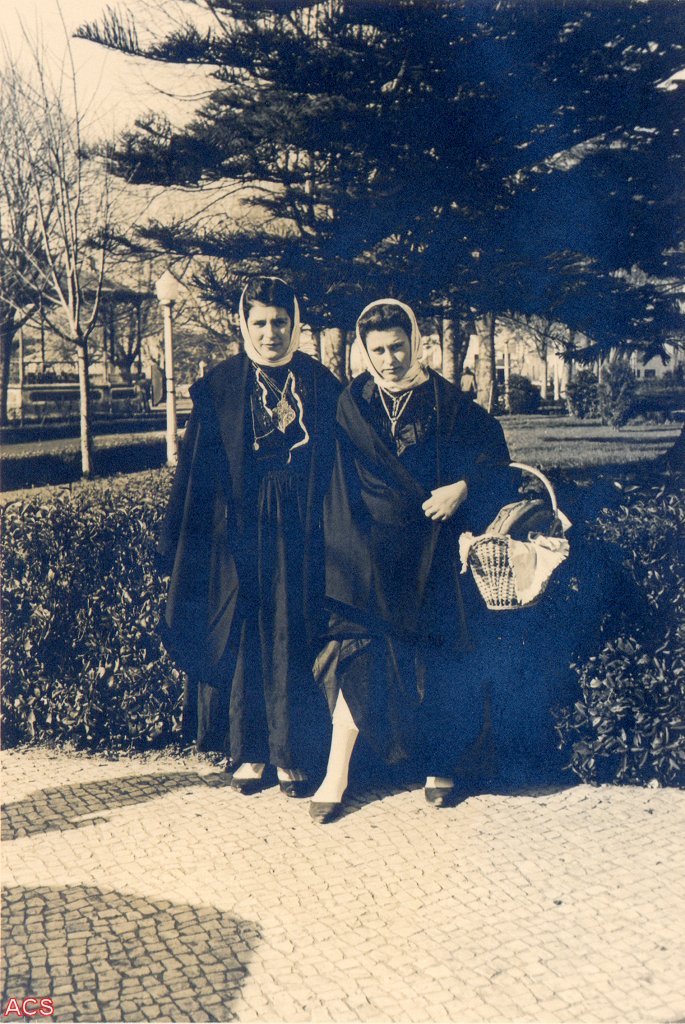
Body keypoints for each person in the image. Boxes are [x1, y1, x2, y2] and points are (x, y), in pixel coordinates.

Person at [310, 298, 518, 822]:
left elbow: (494, 456)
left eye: (398, 347)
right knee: (356, 651)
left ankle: (440, 763)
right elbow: (336, 483)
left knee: (439, 657)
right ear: (365, 351)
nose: (389, 360)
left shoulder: (447, 403)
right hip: (370, 552)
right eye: (378, 350)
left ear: (416, 341)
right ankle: (337, 772)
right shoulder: (351, 404)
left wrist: (463, 488)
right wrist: (353, 548)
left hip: (432, 550)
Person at [158, 276, 341, 797]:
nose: (269, 333)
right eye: (259, 322)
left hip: (302, 528)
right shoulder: (219, 387)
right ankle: (249, 752)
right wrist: (190, 541)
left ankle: (292, 753)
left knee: (292, 631)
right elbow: (196, 471)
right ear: (244, 324)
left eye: (280, 322)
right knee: (244, 632)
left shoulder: (320, 384)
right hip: (238, 530)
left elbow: (338, 461)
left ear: (295, 324)